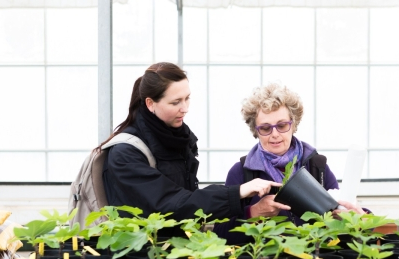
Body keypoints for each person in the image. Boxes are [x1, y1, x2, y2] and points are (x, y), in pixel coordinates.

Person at [100, 63, 280, 230]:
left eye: (187, 98)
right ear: (150, 103)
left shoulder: (177, 139)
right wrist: (238, 192)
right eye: (175, 102)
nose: (185, 108)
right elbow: (171, 204)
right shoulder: (125, 153)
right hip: (141, 258)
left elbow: (189, 204)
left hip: (179, 251)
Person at [214, 82, 364, 245]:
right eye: (265, 128)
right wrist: (253, 213)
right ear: (256, 130)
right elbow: (220, 236)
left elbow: (341, 214)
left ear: (293, 124)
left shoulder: (316, 166)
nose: (275, 134)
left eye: (282, 125)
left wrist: (357, 215)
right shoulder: (241, 173)